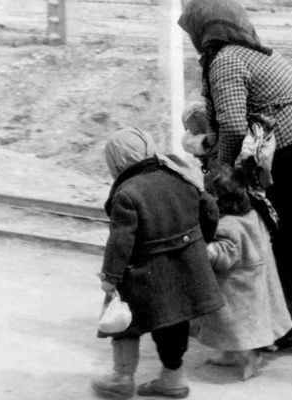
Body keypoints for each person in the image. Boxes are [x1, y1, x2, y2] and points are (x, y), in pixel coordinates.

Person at [178, 0, 292, 353]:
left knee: (270, 238)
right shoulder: (255, 52)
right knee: (280, 239)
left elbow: (233, 127)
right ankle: (287, 326)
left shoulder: (226, 60)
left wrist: (222, 176)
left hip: (285, 157)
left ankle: (286, 330)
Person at [92, 127, 224, 399]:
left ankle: (121, 378)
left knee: (124, 321)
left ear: (117, 162)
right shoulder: (179, 173)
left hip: (144, 273)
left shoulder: (126, 193)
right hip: (185, 267)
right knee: (174, 323)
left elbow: (120, 242)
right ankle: (173, 378)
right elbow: (210, 208)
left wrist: (110, 278)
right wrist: (198, 245)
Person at [190, 165, 292, 381]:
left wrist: (203, 249)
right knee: (230, 329)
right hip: (253, 280)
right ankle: (229, 354)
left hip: (236, 289)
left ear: (218, 199)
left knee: (237, 329)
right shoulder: (252, 214)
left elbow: (225, 254)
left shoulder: (227, 226)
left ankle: (250, 358)